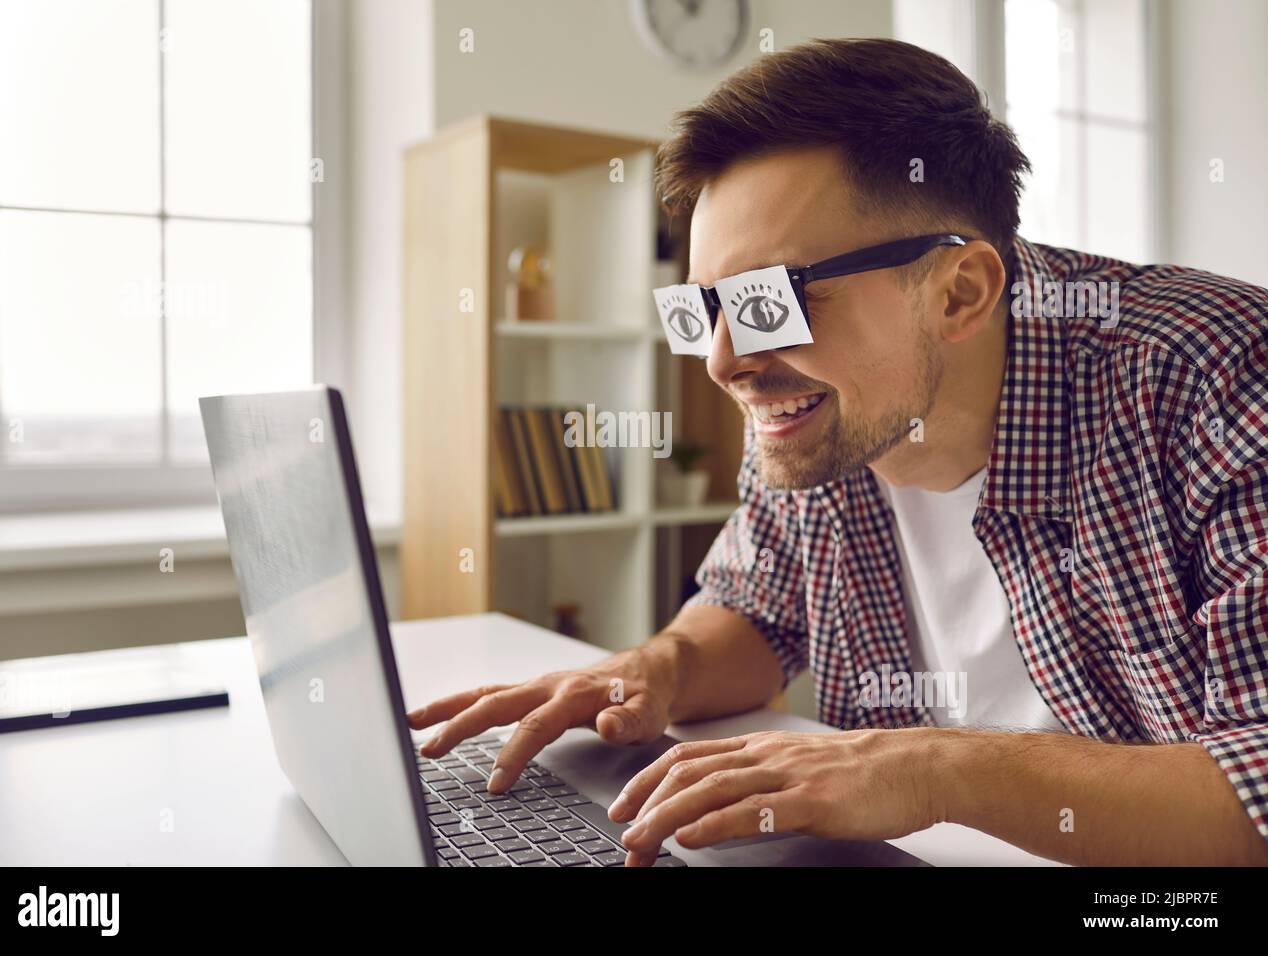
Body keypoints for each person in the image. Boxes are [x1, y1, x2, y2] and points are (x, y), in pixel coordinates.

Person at [409, 38, 1268, 866]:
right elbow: (757, 608)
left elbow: (1256, 791)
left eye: (768, 303)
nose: (722, 361)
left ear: (958, 291)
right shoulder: (817, 415)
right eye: (701, 309)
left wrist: (930, 767)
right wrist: (657, 668)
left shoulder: (1213, 381)